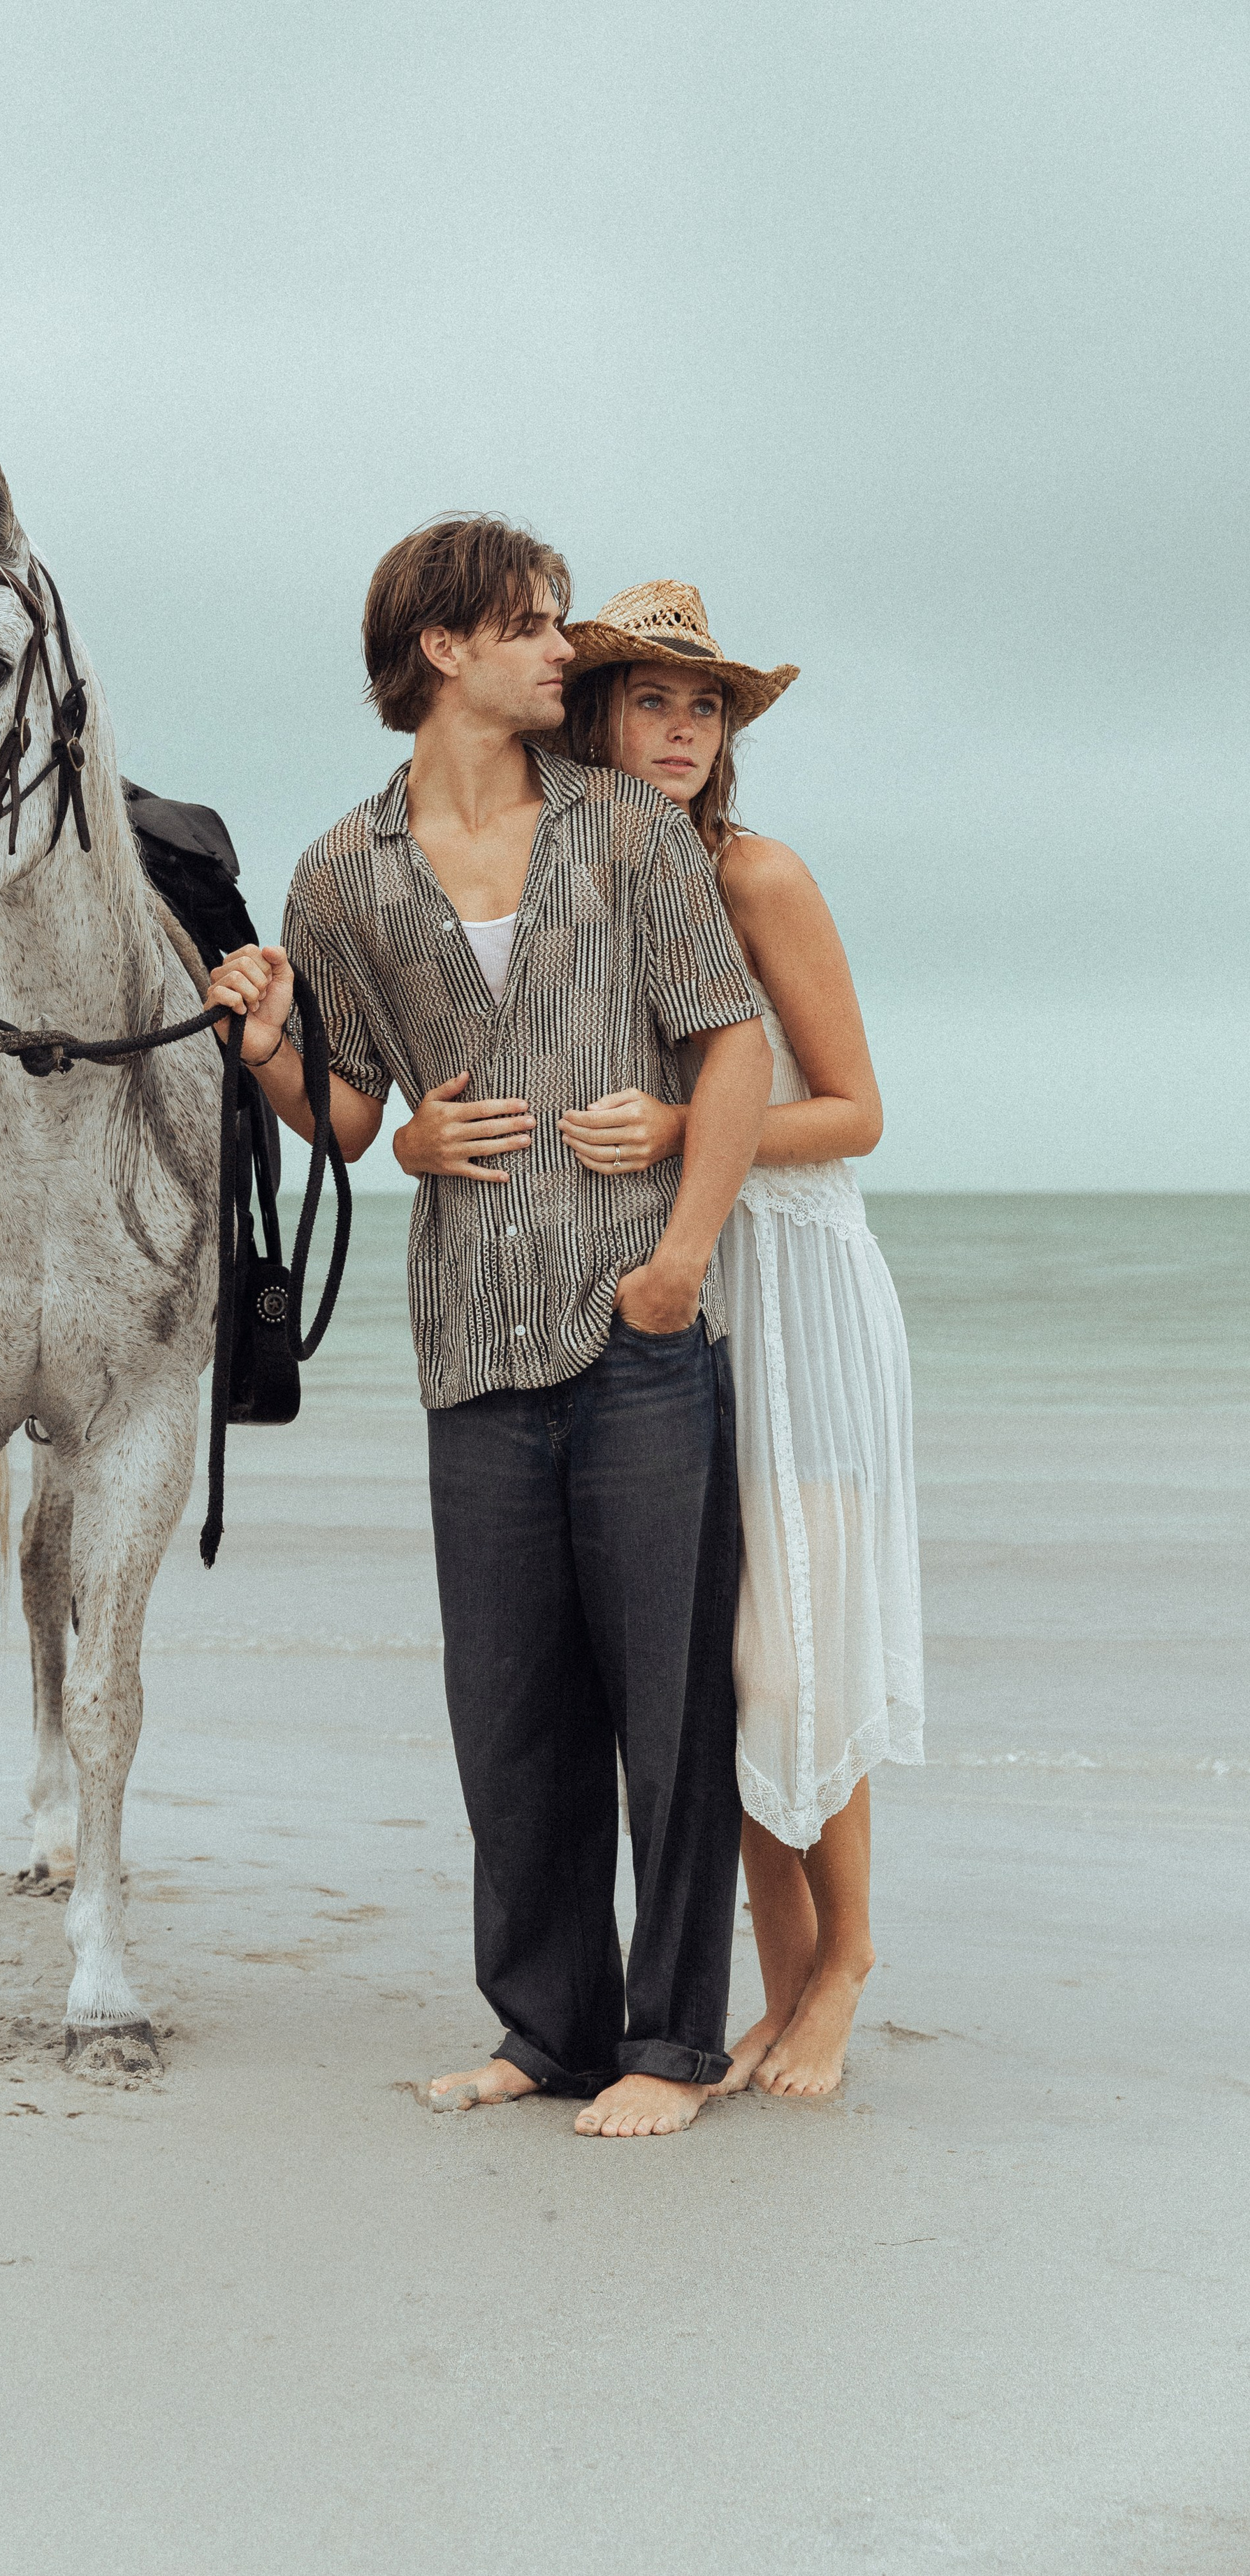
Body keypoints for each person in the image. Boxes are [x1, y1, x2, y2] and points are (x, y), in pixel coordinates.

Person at [205, 518, 772, 2137]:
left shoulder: (625, 829)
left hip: (636, 1330)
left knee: (668, 1709)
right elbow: (347, 1115)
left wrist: (677, 1264)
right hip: (468, 1342)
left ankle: (669, 2049)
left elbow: (729, 1046)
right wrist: (274, 1053)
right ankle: (545, 2033)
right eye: (531, 626)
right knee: (509, 1717)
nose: (559, 652)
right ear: (442, 649)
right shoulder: (341, 873)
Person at [557, 581, 925, 2098]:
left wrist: (686, 1131)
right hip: (684, 1291)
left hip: (797, 1286)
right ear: (593, 718)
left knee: (795, 1652)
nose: (682, 731)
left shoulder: (753, 873)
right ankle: (777, 1985)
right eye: (651, 701)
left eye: (702, 707)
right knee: (716, 1665)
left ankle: (845, 1962)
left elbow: (855, 1111)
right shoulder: (584, 884)